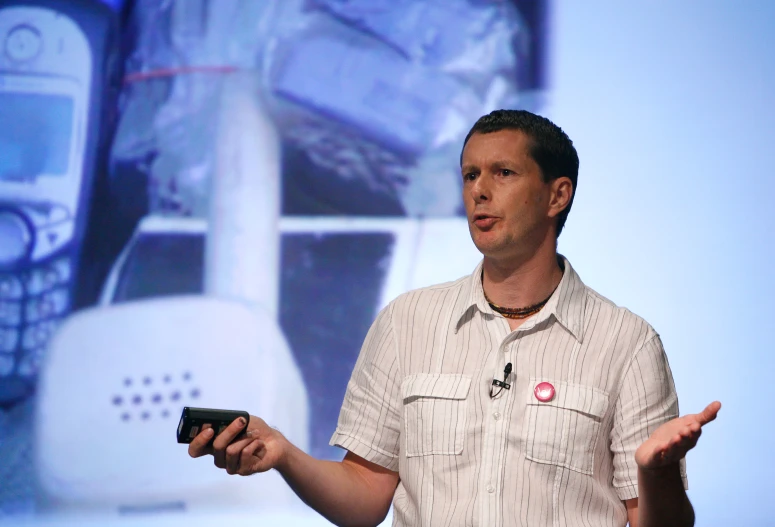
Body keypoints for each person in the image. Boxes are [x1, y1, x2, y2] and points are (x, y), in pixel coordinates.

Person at [188, 110, 721, 527]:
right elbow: (365, 497)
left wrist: (655, 477)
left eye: (503, 173)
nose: (478, 191)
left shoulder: (626, 342)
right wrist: (284, 455)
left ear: (558, 195)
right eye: (470, 174)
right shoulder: (407, 322)